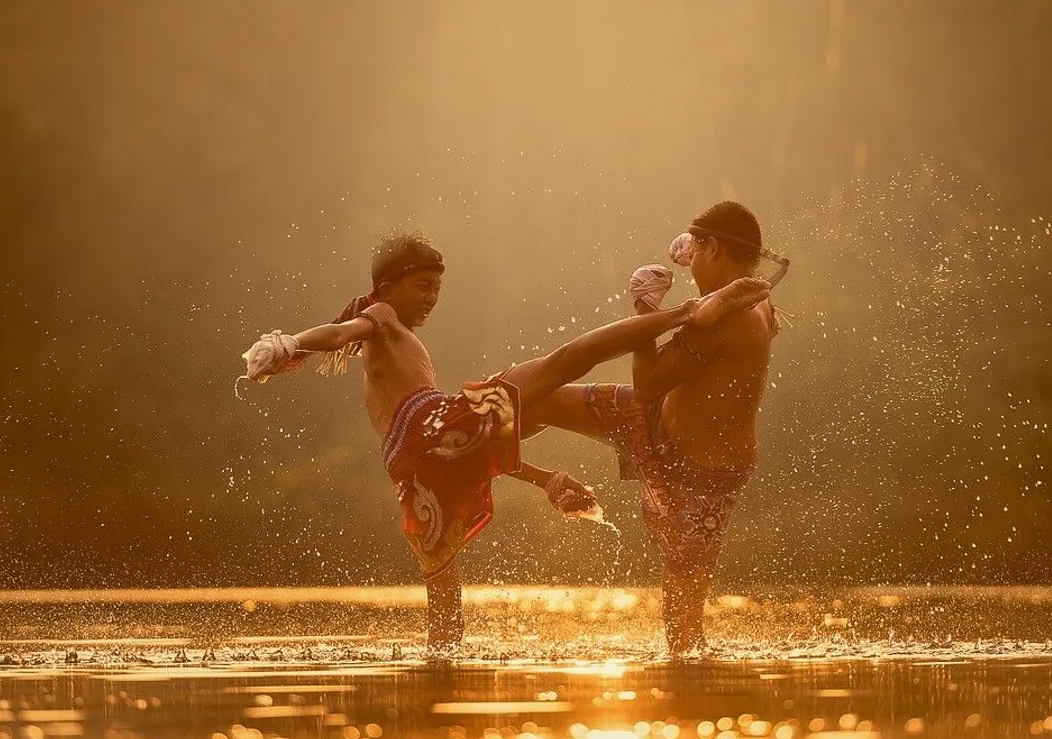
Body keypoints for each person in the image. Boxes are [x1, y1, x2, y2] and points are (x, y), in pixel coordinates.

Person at [240, 231, 772, 652]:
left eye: (437, 288)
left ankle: (440, 686)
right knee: (567, 359)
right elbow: (336, 335)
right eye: (422, 286)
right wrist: (290, 341)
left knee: (444, 616)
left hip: (418, 469)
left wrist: (546, 479)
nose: (431, 298)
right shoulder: (378, 317)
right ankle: (678, 312)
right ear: (386, 289)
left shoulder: (390, 345)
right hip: (433, 425)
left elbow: (465, 453)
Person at [521, 201, 782, 655]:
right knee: (533, 400)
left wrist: (645, 308)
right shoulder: (756, 297)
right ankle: (473, 450)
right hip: (658, 421)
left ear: (714, 248)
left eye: (697, 250)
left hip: (700, 473)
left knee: (684, 630)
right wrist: (698, 257)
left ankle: (692, 704)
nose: (690, 259)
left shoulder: (732, 316)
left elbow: (644, 383)